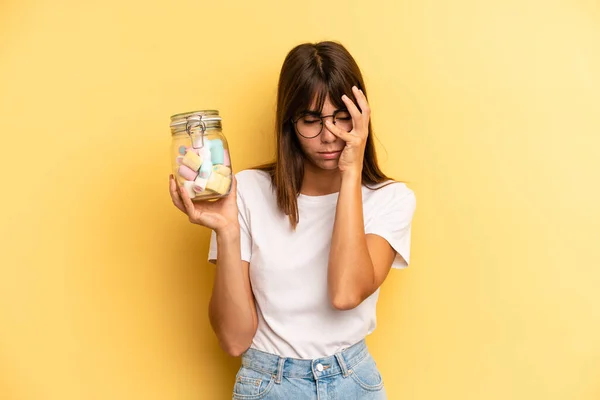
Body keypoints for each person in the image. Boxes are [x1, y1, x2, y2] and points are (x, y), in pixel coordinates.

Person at [169, 41, 416, 400]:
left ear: (362, 116)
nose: (329, 135)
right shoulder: (247, 193)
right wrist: (227, 231)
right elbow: (234, 340)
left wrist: (351, 172)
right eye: (311, 121)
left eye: (342, 117)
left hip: (353, 384)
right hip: (269, 385)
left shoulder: (390, 199)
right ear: (290, 124)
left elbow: (345, 293)